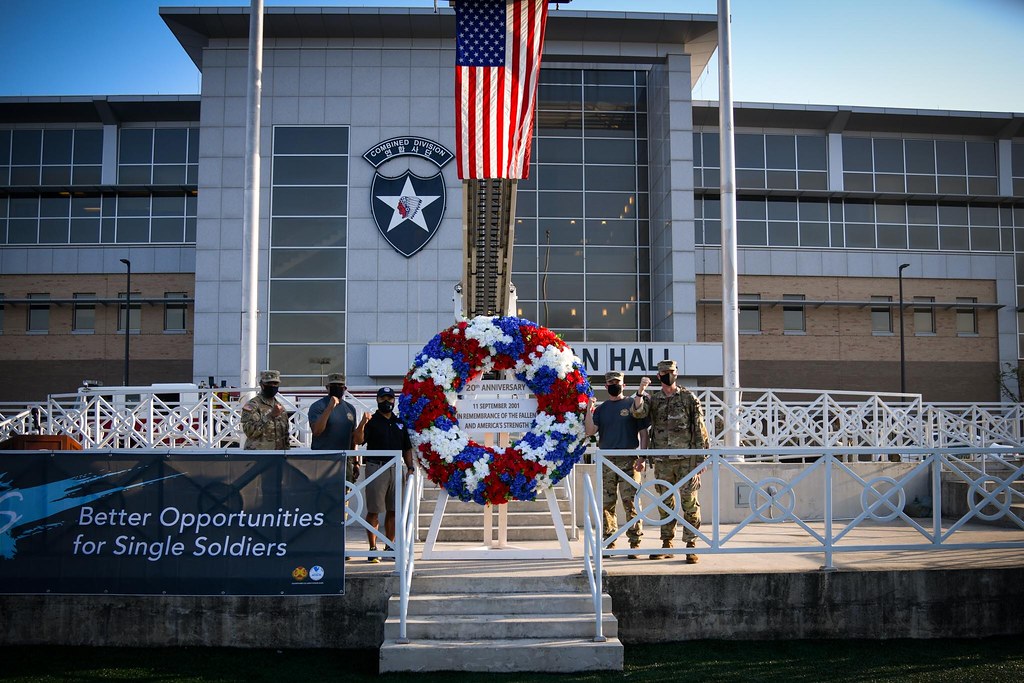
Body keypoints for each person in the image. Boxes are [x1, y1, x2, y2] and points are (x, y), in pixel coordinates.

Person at [630, 359, 709, 563]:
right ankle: (667, 543)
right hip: (663, 460)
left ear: (677, 373)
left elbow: (699, 428)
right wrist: (640, 391)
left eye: (671, 371)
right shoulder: (654, 400)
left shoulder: (688, 398)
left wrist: (702, 458)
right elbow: (638, 412)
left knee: (689, 502)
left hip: (686, 460)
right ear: (659, 376)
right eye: (664, 372)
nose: (668, 374)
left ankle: (691, 545)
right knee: (665, 502)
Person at [584, 371, 649, 559]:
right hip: (607, 461)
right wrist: (589, 408)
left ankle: (635, 543)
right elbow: (590, 431)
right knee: (606, 504)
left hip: (629, 459)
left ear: (624, 384)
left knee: (632, 502)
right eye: (611, 382)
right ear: (606, 386)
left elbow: (643, 433)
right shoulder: (602, 409)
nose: (614, 385)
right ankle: (609, 541)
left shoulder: (632, 404)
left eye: (617, 382)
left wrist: (642, 457)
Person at [353, 386, 414, 563]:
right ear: (377, 400)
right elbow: (357, 440)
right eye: (383, 398)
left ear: (394, 400)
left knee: (394, 509)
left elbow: (407, 448)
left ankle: (390, 545)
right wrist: (362, 423)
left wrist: (410, 467)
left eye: (389, 398)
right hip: (376, 468)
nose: (386, 402)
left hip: (396, 468)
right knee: (374, 510)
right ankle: (373, 548)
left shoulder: (400, 422)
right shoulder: (372, 421)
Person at [308, 372, 360, 483]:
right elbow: (317, 431)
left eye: (339, 386)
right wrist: (330, 408)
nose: (337, 388)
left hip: (344, 462)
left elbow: (353, 439)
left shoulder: (350, 409)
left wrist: (356, 462)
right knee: (323, 497)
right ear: (327, 388)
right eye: (333, 386)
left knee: (344, 497)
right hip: (323, 462)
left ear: (344, 388)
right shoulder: (318, 406)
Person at [240, 370, 290, 450]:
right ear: (262, 385)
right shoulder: (253, 405)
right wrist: (270, 416)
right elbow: (250, 432)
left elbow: (285, 435)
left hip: (278, 456)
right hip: (258, 456)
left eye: (275, 383)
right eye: (269, 383)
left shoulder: (280, 408)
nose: (272, 386)